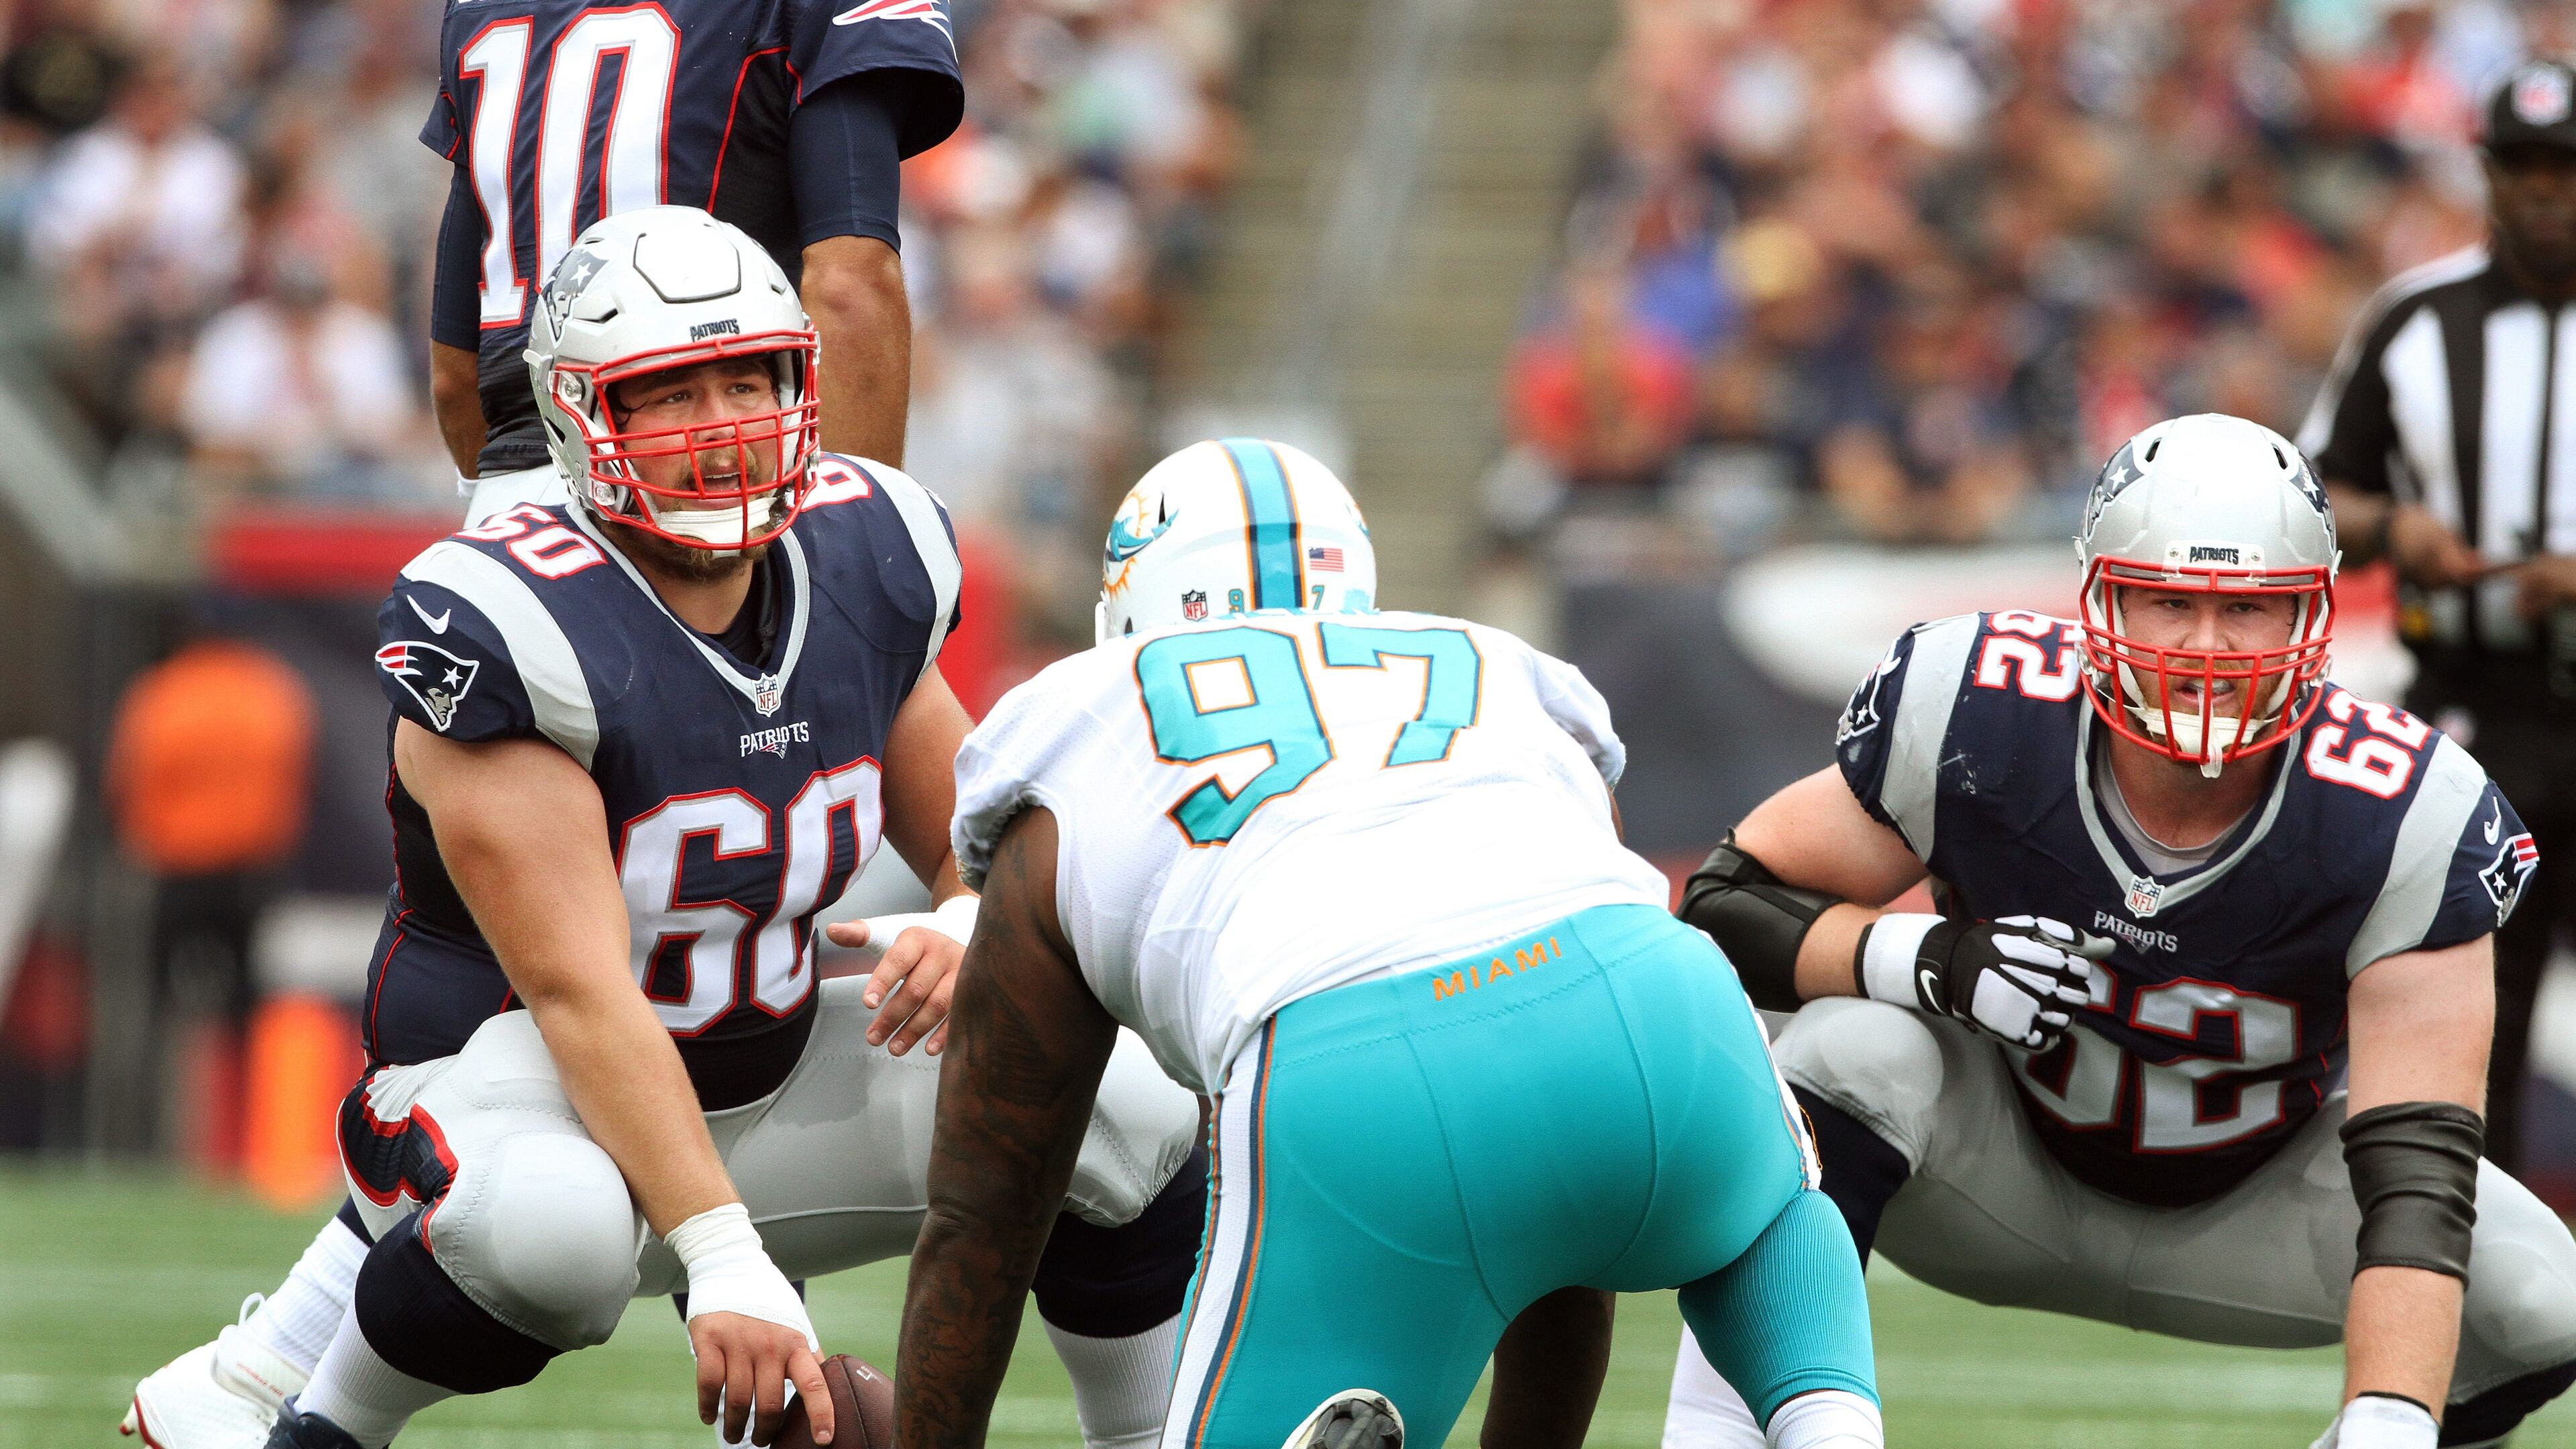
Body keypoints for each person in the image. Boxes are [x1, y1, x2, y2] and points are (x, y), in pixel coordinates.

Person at [125, 208, 1206, 1449]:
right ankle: (310, 1423)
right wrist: (723, 1254)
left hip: (773, 1061)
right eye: (674, 393)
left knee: (1122, 1099)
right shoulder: (511, 620)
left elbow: (982, 828)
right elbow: (580, 992)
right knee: (556, 1236)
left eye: (750, 378)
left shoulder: (867, 554)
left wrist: (972, 917)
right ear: (587, 415)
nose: (727, 424)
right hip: (517, 1101)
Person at [893, 439, 1885, 1449]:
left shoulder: (1081, 731)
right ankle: (1833, 1418)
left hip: (1357, 1072)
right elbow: (1564, 1210)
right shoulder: (1498, 672)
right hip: (1663, 1007)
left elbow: (985, 1220)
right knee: (1771, 1221)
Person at [1658, 415, 2576, 1449]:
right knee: (1845, 1048)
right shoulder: (1984, 713)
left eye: (2251, 612)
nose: (2205, 650)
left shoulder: (2407, 812)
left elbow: (2419, 1167)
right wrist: (1922, 959)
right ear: (2102, 597)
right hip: (1992, 1169)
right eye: (2169, 601)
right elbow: (1725, 900)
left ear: (2310, 619)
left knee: (2543, 1299)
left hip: (2254, 1212)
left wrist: (2388, 1422)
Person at [2299, 58, 2576, 1176]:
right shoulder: (2416, 318)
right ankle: (2490, 1270)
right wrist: (2398, 531)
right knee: (2474, 998)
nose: (2548, 190)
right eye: (2525, 166)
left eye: (2566, 168)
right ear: (2488, 173)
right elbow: (2319, 493)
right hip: (2475, 702)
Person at [424, 0, 963, 523]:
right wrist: (856, 547)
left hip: (518, 504)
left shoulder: (476, 7)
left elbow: (455, 375)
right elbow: (851, 286)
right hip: (713, 498)